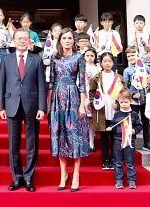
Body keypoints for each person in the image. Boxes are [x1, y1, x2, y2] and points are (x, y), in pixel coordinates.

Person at [0, 29, 46, 192]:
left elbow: (41, 85)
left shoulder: (36, 59)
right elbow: (1, 83)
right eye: (19, 39)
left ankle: (29, 177)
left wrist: (42, 107)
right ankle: (17, 177)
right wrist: (1, 106)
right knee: (14, 143)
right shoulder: (6, 59)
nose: (22, 41)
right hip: (11, 104)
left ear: (30, 41)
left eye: (25, 39)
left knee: (32, 142)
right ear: (13, 41)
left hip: (31, 105)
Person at [48, 28, 89, 192]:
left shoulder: (79, 57)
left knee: (75, 136)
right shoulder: (54, 58)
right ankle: (63, 174)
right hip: (57, 98)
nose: (67, 40)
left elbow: (82, 83)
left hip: (73, 98)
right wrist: (49, 103)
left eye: (70, 38)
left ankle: (76, 174)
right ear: (60, 40)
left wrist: (82, 104)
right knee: (59, 135)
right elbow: (51, 81)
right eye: (64, 38)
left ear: (74, 40)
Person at [89, 52, 121, 171]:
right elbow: (91, 92)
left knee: (114, 136)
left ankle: (115, 159)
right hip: (102, 110)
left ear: (113, 63)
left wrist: (118, 103)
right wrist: (95, 103)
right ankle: (105, 160)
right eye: (105, 61)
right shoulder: (97, 77)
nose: (107, 63)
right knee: (103, 136)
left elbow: (124, 93)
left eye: (109, 61)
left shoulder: (118, 77)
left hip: (114, 110)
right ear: (101, 63)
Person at [110, 89, 143, 189]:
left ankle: (132, 180)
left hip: (129, 141)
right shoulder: (116, 114)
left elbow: (139, 126)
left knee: (130, 161)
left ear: (130, 101)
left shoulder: (134, 114)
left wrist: (134, 131)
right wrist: (111, 127)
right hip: (118, 140)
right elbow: (113, 125)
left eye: (126, 102)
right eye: (121, 102)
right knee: (118, 161)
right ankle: (119, 180)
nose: (124, 104)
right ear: (118, 102)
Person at [123, 46, 150, 151]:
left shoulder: (146, 68)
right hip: (134, 101)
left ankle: (147, 143)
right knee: (133, 121)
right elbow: (125, 87)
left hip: (145, 99)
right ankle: (131, 142)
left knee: (145, 121)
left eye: (133, 55)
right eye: (128, 56)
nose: (131, 57)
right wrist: (132, 94)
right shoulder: (127, 70)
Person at [83, 48, 100, 151]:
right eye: (87, 55)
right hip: (83, 94)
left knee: (91, 120)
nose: (89, 58)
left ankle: (91, 141)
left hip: (93, 95)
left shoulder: (97, 68)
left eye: (92, 56)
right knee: (83, 119)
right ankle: (83, 140)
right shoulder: (82, 67)